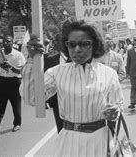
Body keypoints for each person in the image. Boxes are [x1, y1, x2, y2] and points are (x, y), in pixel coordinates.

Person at [21, 17, 123, 156]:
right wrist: (32, 60)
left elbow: (117, 104)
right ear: (66, 45)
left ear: (95, 45)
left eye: (84, 44)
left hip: (100, 141)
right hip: (69, 141)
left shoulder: (109, 73)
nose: (77, 49)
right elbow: (31, 98)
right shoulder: (57, 72)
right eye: (72, 44)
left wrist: (115, 111)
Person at [0, 35, 26, 141]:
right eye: (4, 42)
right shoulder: (0, 54)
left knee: (15, 105)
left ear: (12, 42)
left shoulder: (18, 55)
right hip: (2, 81)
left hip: (14, 82)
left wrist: (10, 66)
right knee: (0, 107)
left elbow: (20, 71)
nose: (6, 43)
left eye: (8, 41)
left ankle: (17, 123)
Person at [43, 33, 67, 133]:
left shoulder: (78, 59)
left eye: (58, 41)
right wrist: (45, 98)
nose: (55, 44)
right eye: (54, 41)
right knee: (61, 131)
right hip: (57, 101)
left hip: (76, 100)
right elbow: (44, 82)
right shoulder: (49, 59)